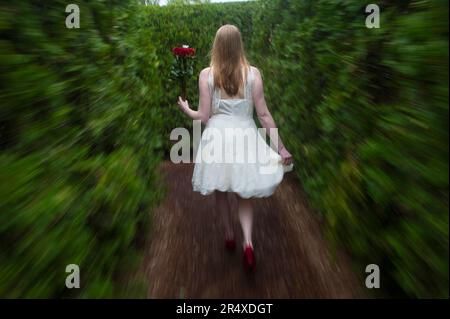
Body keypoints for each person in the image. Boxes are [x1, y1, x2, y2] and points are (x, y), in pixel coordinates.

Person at [176, 24, 293, 272]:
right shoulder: (253, 75)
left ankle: (229, 235)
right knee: (243, 193)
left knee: (221, 190)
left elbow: (204, 117)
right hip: (245, 138)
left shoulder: (206, 75)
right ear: (239, 44)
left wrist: (187, 109)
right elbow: (263, 114)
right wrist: (281, 148)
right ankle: (248, 243)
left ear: (216, 46)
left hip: (217, 139)